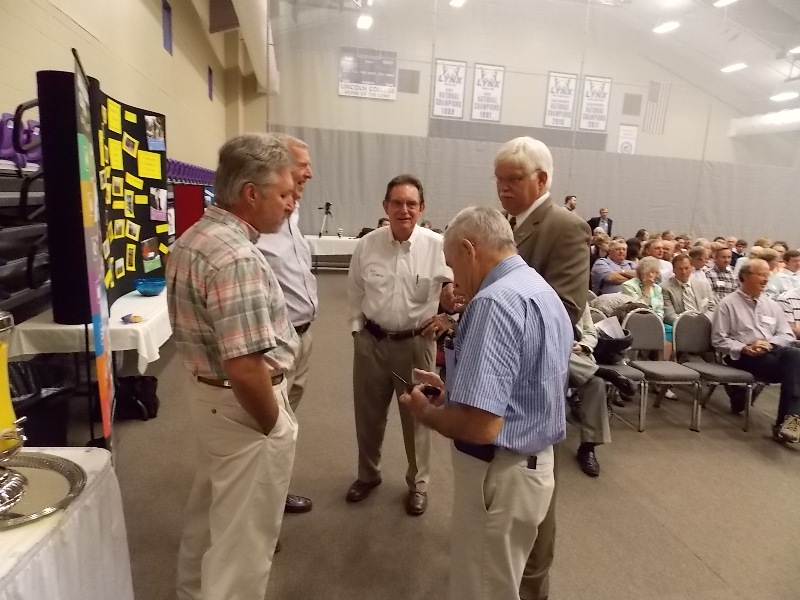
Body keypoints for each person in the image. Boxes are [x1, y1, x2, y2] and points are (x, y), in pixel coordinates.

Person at [399, 206, 572, 600]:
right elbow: (523, 384)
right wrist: (455, 390)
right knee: (499, 582)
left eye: (452, 265)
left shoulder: (493, 302)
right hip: (530, 468)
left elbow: (481, 426)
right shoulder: (539, 289)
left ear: (468, 249)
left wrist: (427, 413)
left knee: (479, 588)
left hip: (498, 474)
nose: (455, 280)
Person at [168, 133, 299, 600]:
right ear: (251, 194)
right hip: (241, 407)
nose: (290, 204)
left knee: (209, 517)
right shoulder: (237, 257)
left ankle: (192, 592)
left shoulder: (195, 237)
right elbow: (245, 368)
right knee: (243, 544)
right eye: (284, 194)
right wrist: (274, 426)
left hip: (210, 397)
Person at [493, 136, 589, 600]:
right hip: (499, 373)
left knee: (536, 486)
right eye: (499, 179)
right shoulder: (506, 224)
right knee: (504, 478)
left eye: (513, 179)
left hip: (531, 377)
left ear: (542, 179)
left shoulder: (564, 227)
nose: (503, 187)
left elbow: (564, 310)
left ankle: (534, 587)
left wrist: (491, 309)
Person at [346, 174, 453, 516]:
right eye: (397, 203)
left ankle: (418, 484)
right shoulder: (367, 245)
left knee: (418, 418)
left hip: (415, 346)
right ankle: (368, 475)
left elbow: (466, 287)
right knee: (368, 416)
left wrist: (449, 319)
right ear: (385, 206)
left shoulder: (438, 247)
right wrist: (357, 332)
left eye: (411, 203)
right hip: (372, 343)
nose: (403, 210)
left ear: (421, 208)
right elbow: (355, 291)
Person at [256, 135, 316, 514]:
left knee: (286, 422)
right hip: (274, 344)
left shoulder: (290, 214)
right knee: (268, 425)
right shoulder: (260, 219)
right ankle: (262, 511)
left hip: (301, 338)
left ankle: (274, 495)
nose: (309, 173)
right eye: (302, 165)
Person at [711, 259, 800, 442]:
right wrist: (746, 348)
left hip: (772, 353)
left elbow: (786, 334)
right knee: (795, 365)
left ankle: (788, 420)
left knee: (794, 357)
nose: (766, 279)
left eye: (767, 275)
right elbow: (719, 340)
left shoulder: (772, 305)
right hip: (742, 356)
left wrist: (768, 343)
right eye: (761, 274)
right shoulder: (727, 304)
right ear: (744, 276)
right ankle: (788, 420)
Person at [570, 306, 636, 477]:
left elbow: (590, 332)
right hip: (549, 359)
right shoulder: (541, 296)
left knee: (596, 384)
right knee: (557, 353)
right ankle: (605, 373)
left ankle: (587, 447)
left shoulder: (579, 299)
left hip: (579, 358)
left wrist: (584, 345)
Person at [663, 254, 715, 325]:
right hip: (681, 326)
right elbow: (669, 315)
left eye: (686, 268)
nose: (684, 272)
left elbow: (712, 308)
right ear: (674, 270)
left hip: (704, 324)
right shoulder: (665, 288)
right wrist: (689, 324)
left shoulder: (704, 285)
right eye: (680, 269)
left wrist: (703, 321)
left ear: (692, 268)